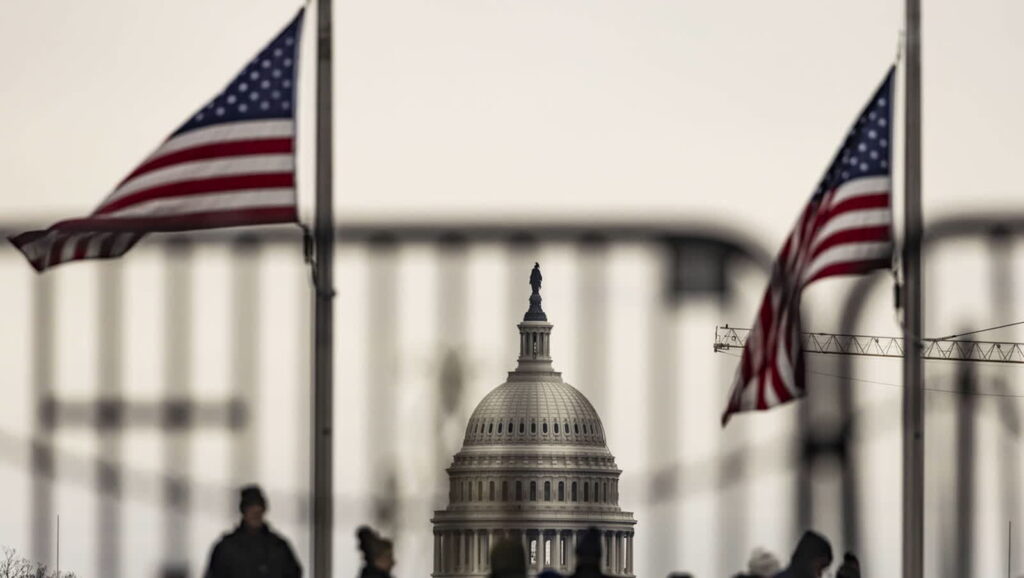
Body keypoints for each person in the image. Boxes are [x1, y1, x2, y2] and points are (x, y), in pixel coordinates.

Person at [203, 485, 302, 578]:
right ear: (244, 511)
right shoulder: (226, 549)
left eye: (258, 511)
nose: (255, 515)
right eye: (251, 510)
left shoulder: (279, 548)